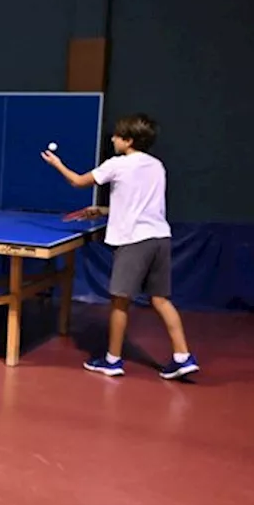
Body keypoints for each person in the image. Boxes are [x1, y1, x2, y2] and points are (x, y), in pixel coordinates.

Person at [41, 113, 199, 379]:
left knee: (119, 302)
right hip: (160, 238)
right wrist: (103, 210)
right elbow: (141, 204)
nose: (112, 138)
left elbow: (77, 181)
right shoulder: (157, 166)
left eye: (117, 135)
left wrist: (57, 164)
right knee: (161, 300)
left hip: (133, 241)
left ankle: (112, 360)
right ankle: (183, 356)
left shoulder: (117, 165)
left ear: (128, 140)